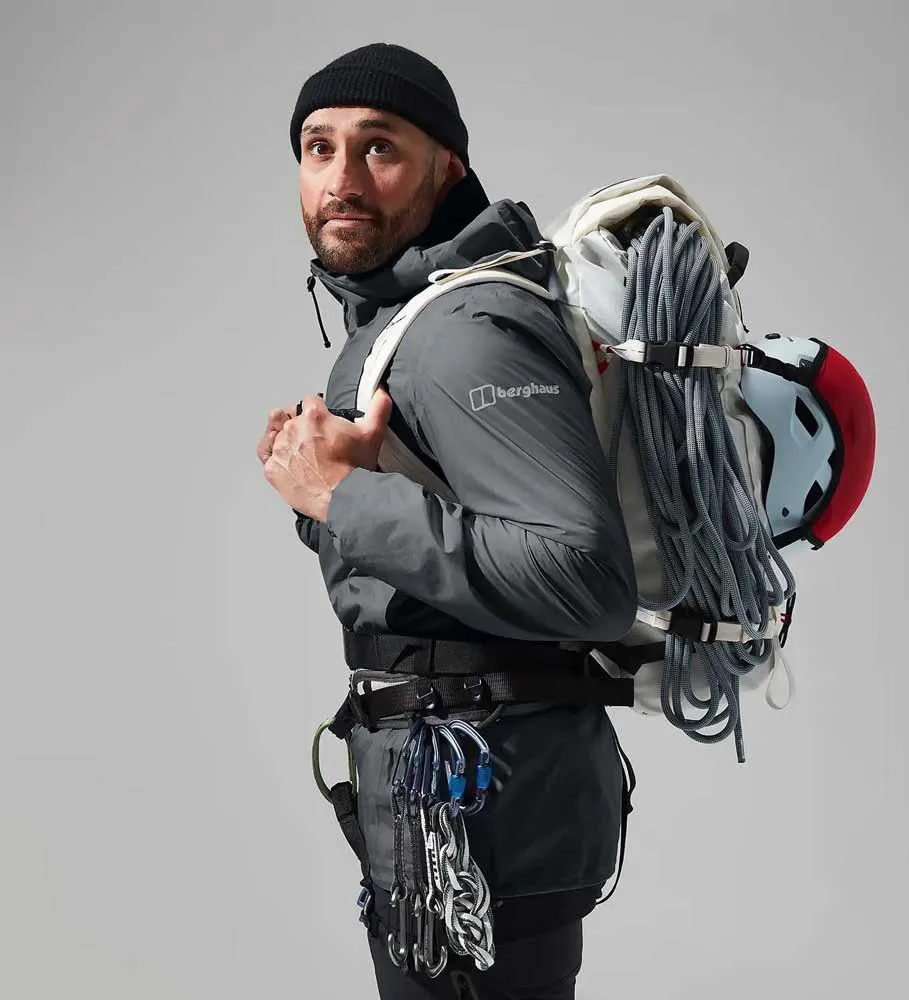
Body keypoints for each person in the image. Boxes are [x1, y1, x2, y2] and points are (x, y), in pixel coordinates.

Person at [258, 42, 638, 1000]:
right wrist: (326, 492)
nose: (342, 180)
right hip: (458, 812)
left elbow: (586, 580)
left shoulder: (463, 332)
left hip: (483, 827)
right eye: (318, 148)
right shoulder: (408, 318)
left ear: (447, 168)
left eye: (380, 148)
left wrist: (343, 496)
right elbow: (439, 563)